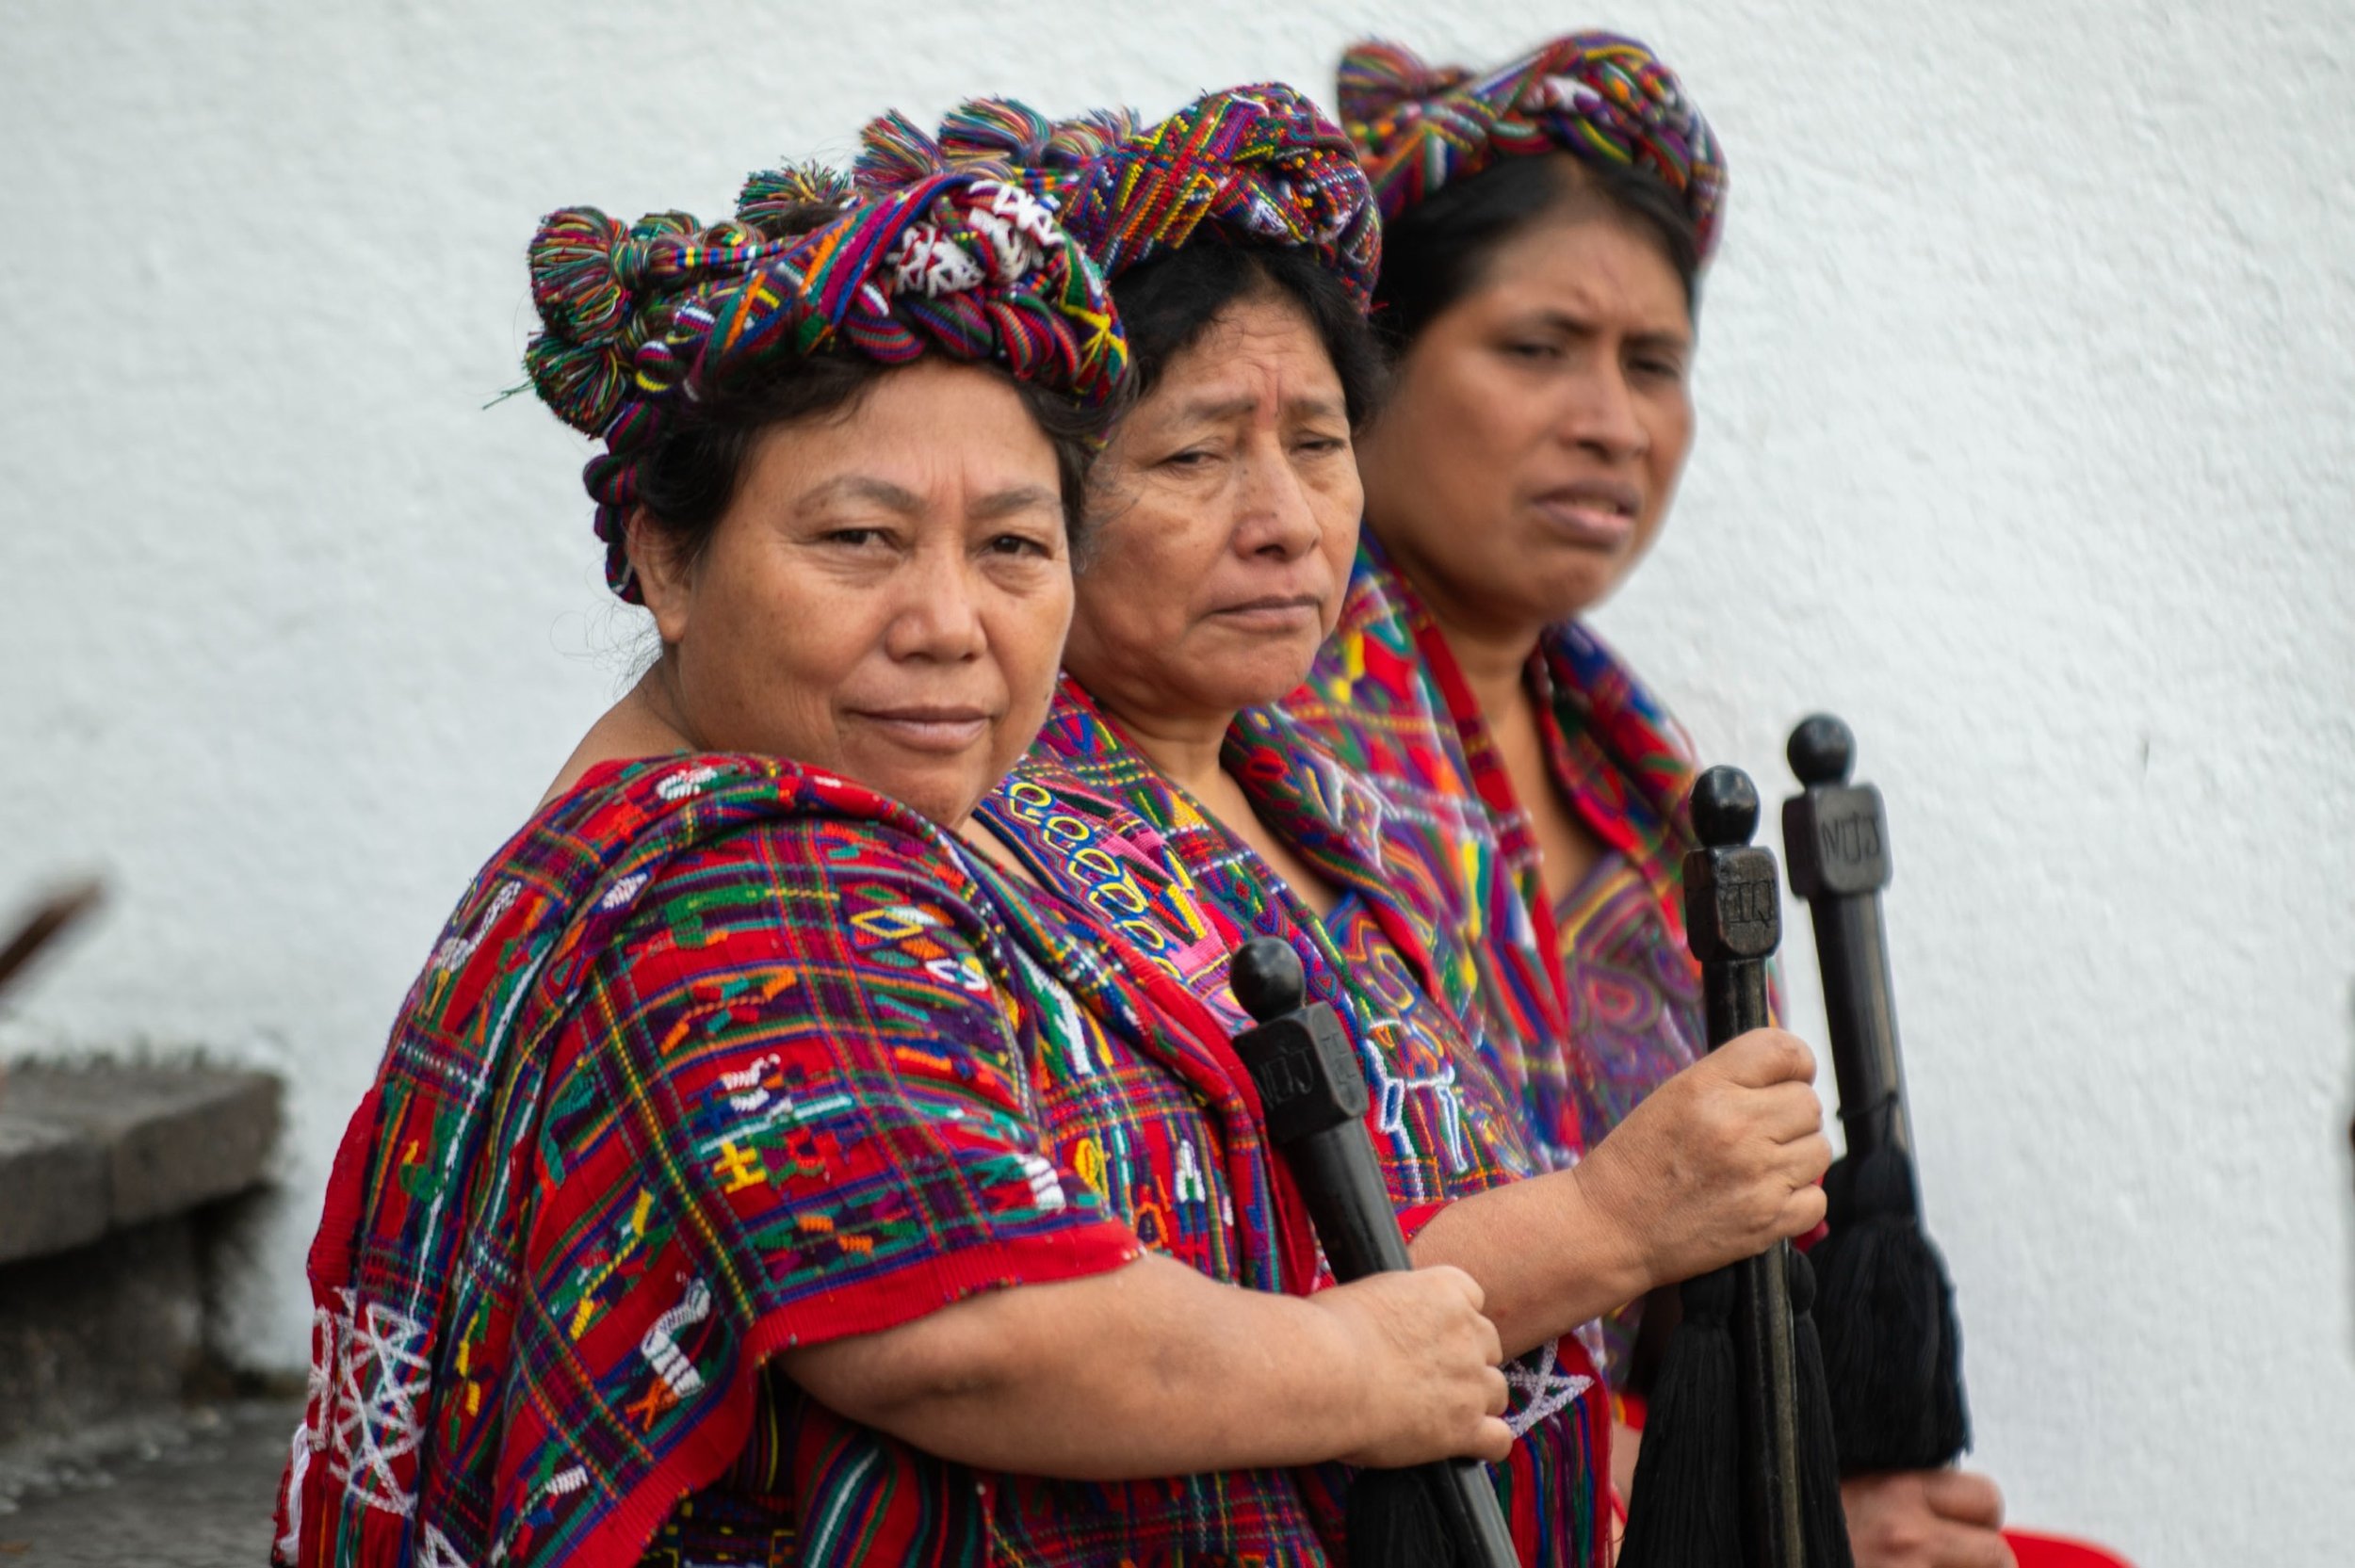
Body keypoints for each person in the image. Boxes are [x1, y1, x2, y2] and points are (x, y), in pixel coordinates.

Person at [273, 170, 1516, 1568]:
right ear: (670, 561)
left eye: (1012, 547)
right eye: (858, 540)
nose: (946, 623)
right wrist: (1354, 1368)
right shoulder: (746, 882)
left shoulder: (745, 833)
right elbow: (963, 1329)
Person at [853, 84, 1833, 1568]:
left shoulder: (1326, 827)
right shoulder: (973, 834)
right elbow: (1146, 1314)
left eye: (1317, 444)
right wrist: (1611, 1221)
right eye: (1193, 456)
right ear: (1035, 500)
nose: (1289, 523)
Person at [1289, 31, 2116, 1568]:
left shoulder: (1635, 780)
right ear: (1371, 368)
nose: (1613, 419)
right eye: (1538, 348)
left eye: (1653, 363)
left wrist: (1829, 1490)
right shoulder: (1257, 758)